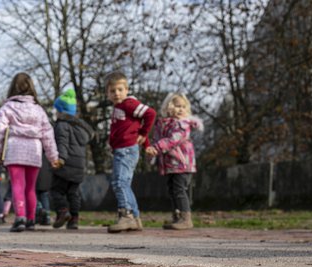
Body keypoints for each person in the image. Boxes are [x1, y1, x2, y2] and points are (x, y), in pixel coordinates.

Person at [0, 72, 61, 232]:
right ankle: (31, 219)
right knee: (31, 187)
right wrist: (53, 157)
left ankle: (20, 217)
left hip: (14, 149)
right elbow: (48, 134)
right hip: (34, 151)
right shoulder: (38, 110)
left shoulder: (7, 107)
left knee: (17, 185)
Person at [105, 71, 156, 233]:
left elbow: (150, 114)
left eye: (120, 89)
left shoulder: (128, 104)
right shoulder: (118, 107)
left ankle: (126, 215)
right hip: (123, 149)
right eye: (112, 91)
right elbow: (136, 126)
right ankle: (135, 217)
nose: (116, 94)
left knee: (119, 182)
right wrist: (145, 142)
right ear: (107, 93)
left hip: (126, 149)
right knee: (124, 183)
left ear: (126, 90)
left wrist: (143, 135)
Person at [146, 92, 203, 230]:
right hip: (170, 164)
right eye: (177, 106)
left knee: (179, 189)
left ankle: (186, 218)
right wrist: (151, 152)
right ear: (168, 107)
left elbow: (173, 140)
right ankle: (177, 216)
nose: (181, 109)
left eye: (184, 107)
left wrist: (157, 147)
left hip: (182, 163)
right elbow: (156, 139)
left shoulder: (183, 125)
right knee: (171, 190)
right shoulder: (162, 124)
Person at [51, 89, 94, 230]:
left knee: (56, 190)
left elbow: (62, 143)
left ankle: (63, 211)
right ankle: (74, 219)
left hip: (66, 165)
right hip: (79, 166)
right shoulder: (80, 127)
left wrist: (61, 158)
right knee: (74, 193)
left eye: (56, 110)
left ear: (61, 111)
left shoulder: (62, 125)